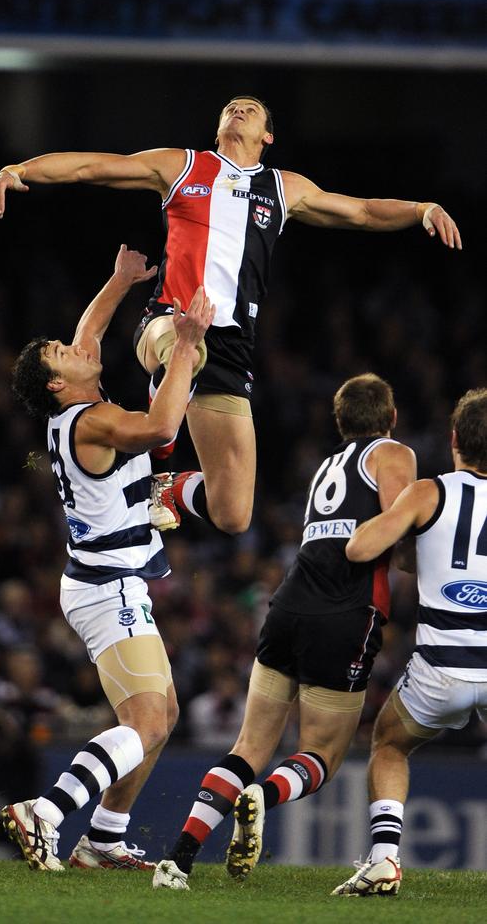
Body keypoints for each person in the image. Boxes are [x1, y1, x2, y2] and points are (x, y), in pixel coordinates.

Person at [0, 96, 460, 537]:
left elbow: (360, 212)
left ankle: (166, 486)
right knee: (186, 345)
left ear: (267, 136)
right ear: (218, 129)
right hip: (167, 322)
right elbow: (94, 166)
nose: (238, 109)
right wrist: (20, 168)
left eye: (250, 109)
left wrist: (421, 209)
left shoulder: (283, 187)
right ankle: (157, 451)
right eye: (231, 107)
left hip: (232, 346)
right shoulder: (183, 165)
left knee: (233, 512)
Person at [150, 373, 416, 890]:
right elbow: (397, 523)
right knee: (323, 752)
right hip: (346, 613)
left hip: (289, 605)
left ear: (341, 423)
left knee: (249, 746)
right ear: (391, 418)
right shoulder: (393, 454)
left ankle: (177, 862)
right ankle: (262, 797)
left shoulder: (327, 467)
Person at [2, 244, 214, 872]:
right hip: (108, 587)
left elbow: (90, 329)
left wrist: (121, 280)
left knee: (162, 715)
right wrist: (185, 344)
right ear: (57, 384)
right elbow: (159, 430)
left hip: (104, 579)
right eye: (64, 355)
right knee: (147, 723)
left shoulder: (71, 409)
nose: (80, 347)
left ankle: (105, 837)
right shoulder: (90, 420)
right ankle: (45, 811)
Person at [332, 388, 487, 897]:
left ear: (454, 441)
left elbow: (362, 547)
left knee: (390, 744)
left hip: (440, 668)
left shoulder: (428, 492)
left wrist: (413, 544)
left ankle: (383, 861)